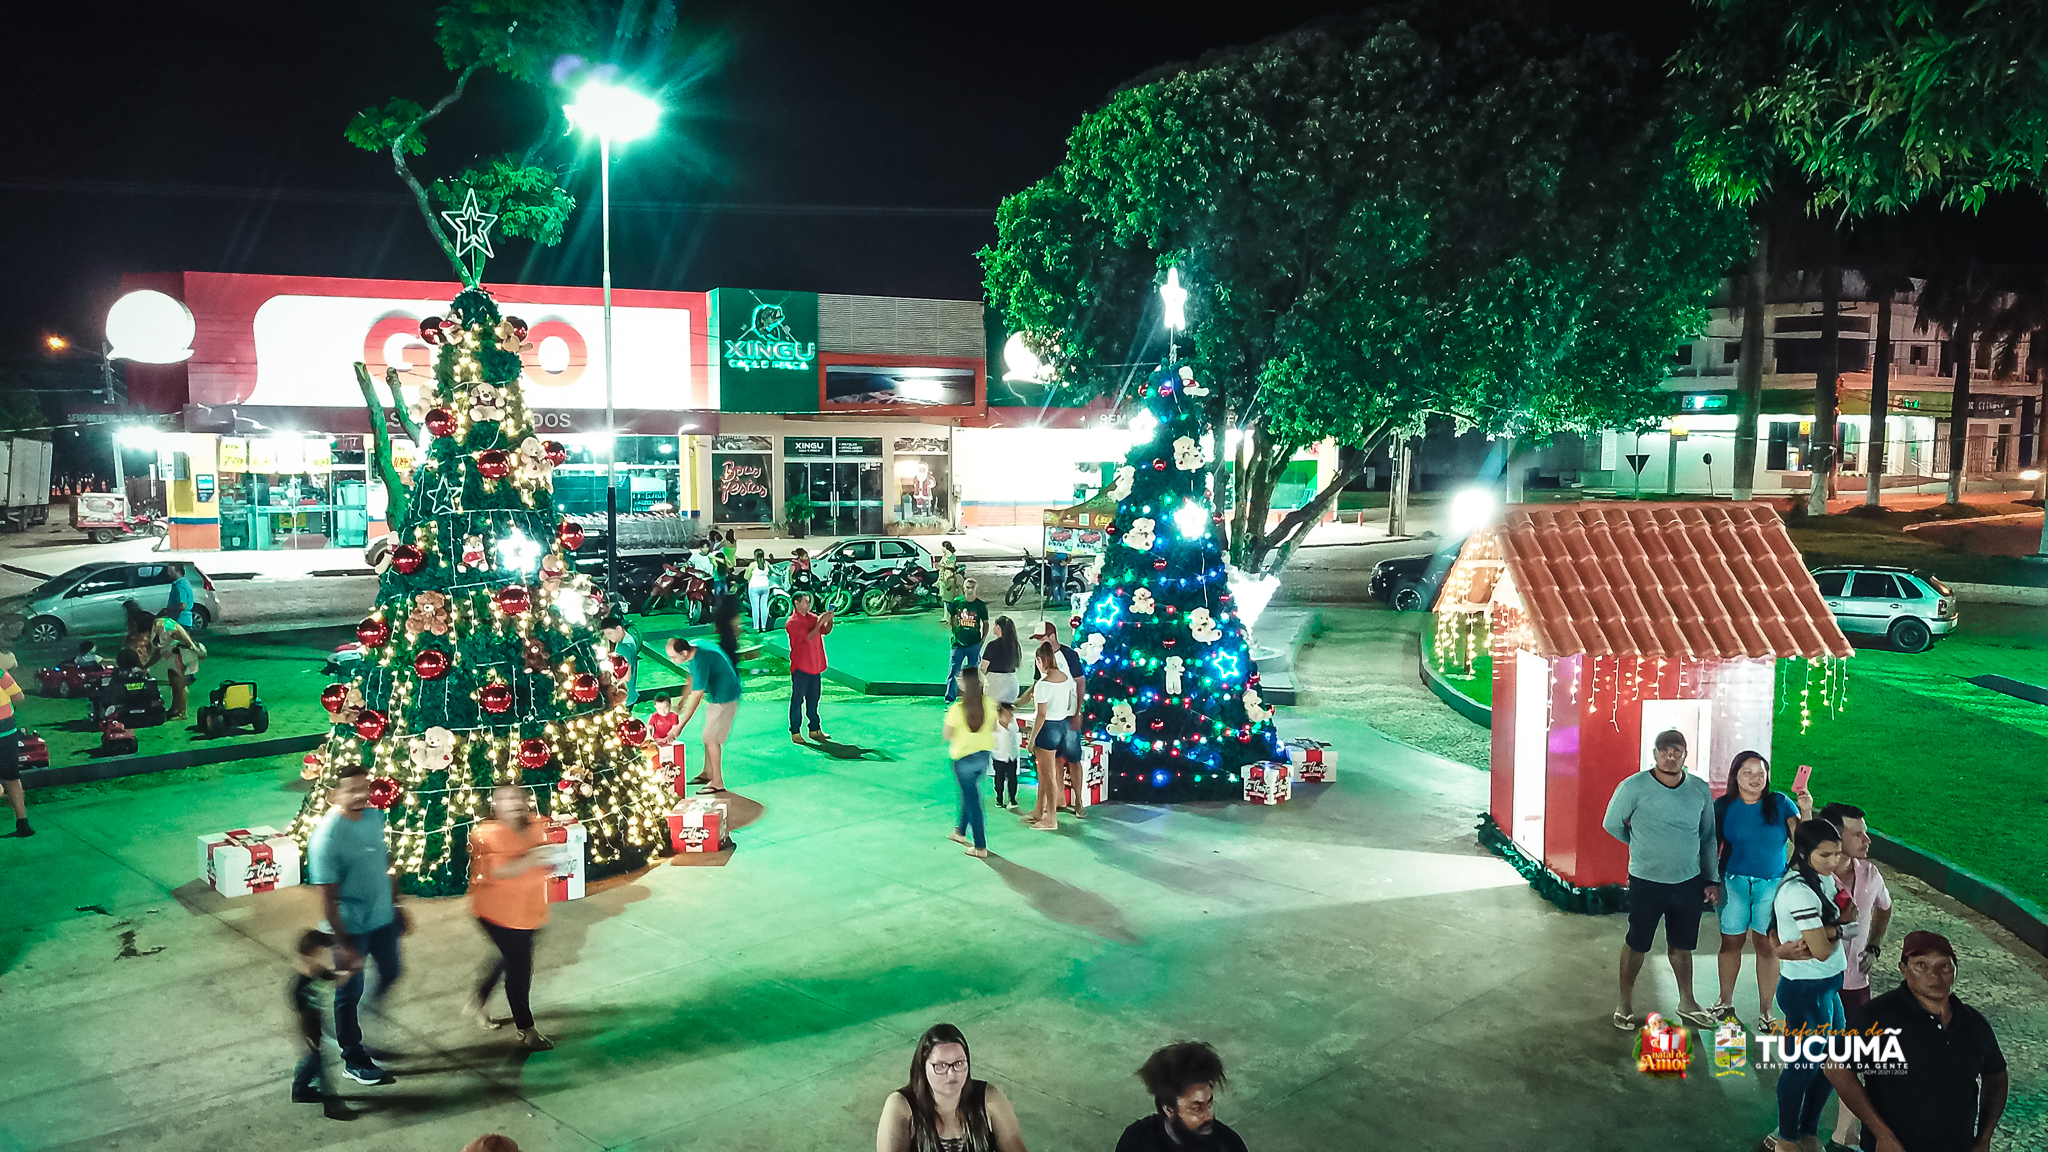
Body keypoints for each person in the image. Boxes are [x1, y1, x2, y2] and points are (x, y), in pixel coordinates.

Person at [1825, 931, 2009, 1152]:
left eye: (1945, 966)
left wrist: (1983, 1139)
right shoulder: (1877, 1017)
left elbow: (1997, 1077)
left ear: (1955, 972)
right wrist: (1882, 1134)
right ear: (1904, 969)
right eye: (1921, 965)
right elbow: (1837, 1069)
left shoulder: (1973, 1022)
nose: (1934, 975)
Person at [1601, 729, 1720, 1030]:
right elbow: (1612, 824)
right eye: (1664, 750)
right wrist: (1640, 843)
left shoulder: (1699, 790)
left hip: (1687, 882)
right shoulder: (1634, 787)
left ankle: (1687, 1001)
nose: (1670, 755)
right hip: (1646, 881)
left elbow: (1707, 837)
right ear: (1654, 753)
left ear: (1685, 754)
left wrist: (1711, 878)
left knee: (1682, 945)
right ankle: (1625, 1001)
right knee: (1637, 942)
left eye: (1677, 750)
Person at [308, 762, 409, 1086]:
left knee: (392, 970)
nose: (361, 794)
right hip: (351, 926)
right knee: (348, 991)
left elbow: (385, 862)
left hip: (383, 917)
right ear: (332, 795)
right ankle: (353, 1057)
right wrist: (345, 942)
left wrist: (396, 903)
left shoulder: (374, 816)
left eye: (364, 787)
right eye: (351, 789)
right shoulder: (327, 838)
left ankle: (354, 1023)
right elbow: (328, 898)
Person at [1765, 819, 1854, 1152]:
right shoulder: (1799, 891)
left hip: (1826, 986)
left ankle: (1807, 1130)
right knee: (1803, 1068)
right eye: (1826, 854)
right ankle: (1788, 1137)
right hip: (1806, 991)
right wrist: (1839, 930)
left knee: (1832, 1063)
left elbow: (1854, 916)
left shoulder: (1825, 879)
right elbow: (1820, 949)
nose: (1835, 862)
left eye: (1837, 854)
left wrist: (1830, 930)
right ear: (1804, 852)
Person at [1711, 751, 1811, 1027]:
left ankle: (1767, 1010)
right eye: (1748, 772)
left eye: (1760, 772)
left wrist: (1805, 810)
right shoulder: (1723, 806)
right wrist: (1709, 882)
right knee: (1731, 941)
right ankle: (1724, 1001)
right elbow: (1711, 846)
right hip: (1733, 882)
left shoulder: (1780, 803)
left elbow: (1804, 841)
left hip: (1772, 884)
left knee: (1766, 945)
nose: (1755, 778)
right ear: (1735, 776)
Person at [468, 784, 555, 1050]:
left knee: (509, 958)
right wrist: (537, 856)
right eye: (506, 799)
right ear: (495, 805)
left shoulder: (535, 826)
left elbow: (543, 859)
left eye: (517, 798)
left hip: (529, 913)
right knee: (519, 967)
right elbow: (502, 871)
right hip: (497, 915)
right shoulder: (486, 834)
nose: (514, 804)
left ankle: (477, 1001)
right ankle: (526, 1029)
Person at [874, 1023, 1028, 1152]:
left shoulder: (989, 1099)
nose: (951, 1073)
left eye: (959, 1063)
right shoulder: (901, 1105)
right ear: (922, 1067)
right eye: (940, 1065)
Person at [1116, 1041, 1249, 1152]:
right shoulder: (1137, 1142)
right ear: (1169, 1109)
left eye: (1209, 1104)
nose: (1209, 1116)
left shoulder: (1230, 1145)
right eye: (1197, 1108)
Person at [287, 928, 353, 1120]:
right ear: (308, 956)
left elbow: (335, 978)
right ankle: (331, 1103)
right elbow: (299, 1016)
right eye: (321, 955)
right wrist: (307, 1039)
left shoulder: (319, 972)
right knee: (322, 1066)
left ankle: (300, 1090)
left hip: (318, 1026)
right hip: (309, 1030)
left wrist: (349, 971)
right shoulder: (300, 986)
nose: (327, 959)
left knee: (311, 1062)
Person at [668, 636, 741, 793]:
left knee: (711, 738)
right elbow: (692, 678)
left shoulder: (700, 660)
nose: (671, 660)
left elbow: (697, 695)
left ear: (684, 652)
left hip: (725, 695)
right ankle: (708, 772)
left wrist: (680, 726)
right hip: (718, 691)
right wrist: (681, 702)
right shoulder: (693, 650)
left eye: (673, 657)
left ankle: (717, 782)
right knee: (707, 734)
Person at [943, 667, 998, 858]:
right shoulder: (989, 704)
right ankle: (960, 832)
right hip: (983, 756)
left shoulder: (957, 709)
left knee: (973, 801)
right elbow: (993, 726)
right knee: (969, 793)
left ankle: (980, 846)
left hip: (962, 759)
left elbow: (947, 734)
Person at [1021, 643, 1076, 831]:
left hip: (1047, 729)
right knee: (1046, 774)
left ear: (1039, 660)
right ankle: (1038, 810)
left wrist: (1032, 739)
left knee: (1048, 775)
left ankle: (1050, 818)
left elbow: (1041, 714)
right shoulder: (1065, 678)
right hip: (1062, 725)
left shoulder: (1043, 685)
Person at [131, 601, 205, 721]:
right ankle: (174, 709)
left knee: (179, 684)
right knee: (174, 683)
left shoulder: (163, 625)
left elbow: (180, 633)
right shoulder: (156, 628)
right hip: (174, 655)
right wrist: (146, 665)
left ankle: (182, 712)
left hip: (182, 654)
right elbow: (158, 652)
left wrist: (193, 647)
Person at [785, 592, 834, 743]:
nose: (808, 605)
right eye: (805, 602)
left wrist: (829, 620)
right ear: (796, 603)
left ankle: (814, 729)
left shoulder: (812, 617)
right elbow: (808, 636)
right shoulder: (792, 622)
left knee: (814, 699)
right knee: (797, 699)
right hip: (801, 667)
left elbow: (825, 630)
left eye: (809, 602)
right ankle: (795, 731)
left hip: (814, 665)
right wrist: (820, 622)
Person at [945, 578, 990, 704]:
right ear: (964, 588)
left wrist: (982, 640)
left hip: (974, 644)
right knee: (953, 671)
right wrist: (954, 633)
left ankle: (973, 698)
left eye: (972, 587)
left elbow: (986, 623)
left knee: (973, 674)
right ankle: (950, 698)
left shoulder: (980, 606)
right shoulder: (957, 602)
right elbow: (952, 617)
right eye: (967, 587)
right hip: (958, 644)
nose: (970, 590)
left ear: (976, 588)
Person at [0, 651, 26, 837]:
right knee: (13, 778)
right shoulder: (1, 674)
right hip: (6, 731)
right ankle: (22, 822)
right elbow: (19, 696)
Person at [978, 616, 1022, 707]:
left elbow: (983, 666)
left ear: (998, 627)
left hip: (994, 684)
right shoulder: (1015, 645)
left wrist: (986, 676)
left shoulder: (992, 645)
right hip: (1011, 682)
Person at [600, 616, 640, 707]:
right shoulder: (629, 639)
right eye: (606, 634)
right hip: (631, 694)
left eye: (610, 633)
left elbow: (626, 676)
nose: (608, 637)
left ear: (618, 628)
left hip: (622, 697)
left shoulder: (622, 648)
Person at [991, 702, 1021, 810]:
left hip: (1012, 755)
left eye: (1011, 714)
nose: (1010, 717)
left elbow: (1016, 732)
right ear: (1000, 715)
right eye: (1007, 714)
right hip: (999, 756)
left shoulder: (1013, 723)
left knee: (1012, 778)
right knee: (999, 778)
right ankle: (999, 798)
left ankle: (1012, 798)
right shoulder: (994, 726)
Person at [746, 550, 776, 632]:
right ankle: (763, 626)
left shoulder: (753, 565)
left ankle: (756, 627)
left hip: (754, 588)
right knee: (764, 607)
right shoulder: (766, 564)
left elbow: (746, 576)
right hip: (765, 587)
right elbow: (772, 572)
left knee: (755, 608)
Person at [713, 591, 743, 670]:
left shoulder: (719, 613)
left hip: (723, 640)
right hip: (731, 642)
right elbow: (737, 628)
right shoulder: (734, 615)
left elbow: (715, 629)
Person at [164, 563, 196, 629]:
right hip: (185, 620)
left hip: (180, 621)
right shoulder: (186, 582)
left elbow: (183, 605)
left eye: (171, 572)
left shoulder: (180, 586)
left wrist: (169, 610)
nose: (168, 573)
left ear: (178, 572)